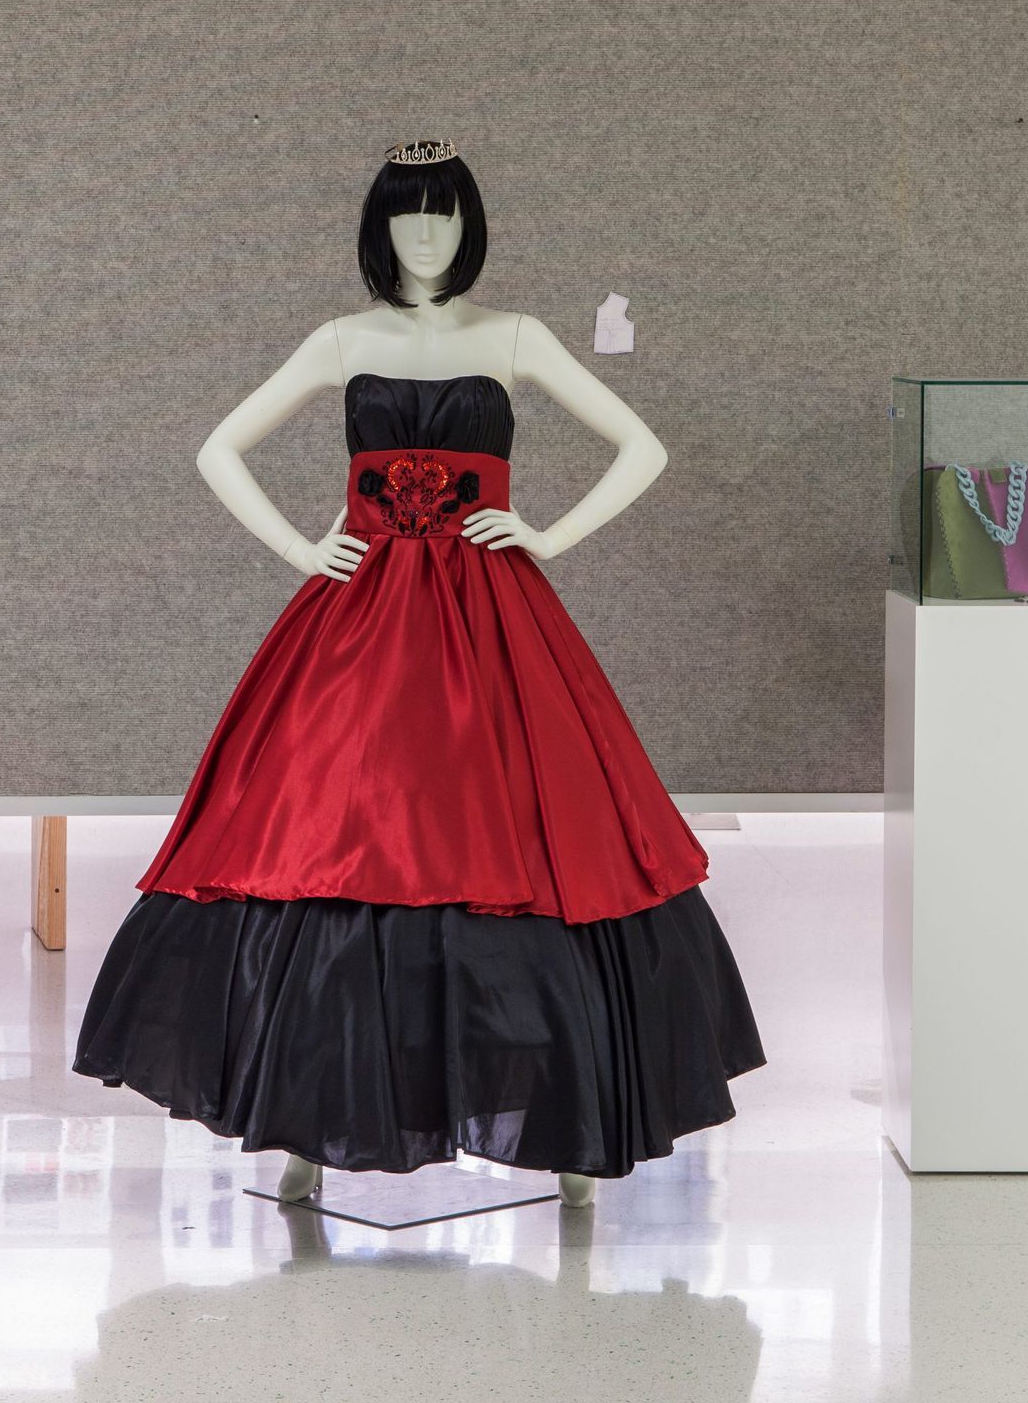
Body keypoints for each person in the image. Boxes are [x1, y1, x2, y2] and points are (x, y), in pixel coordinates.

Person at [73, 139, 762, 1208]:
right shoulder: (342, 340)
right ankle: (305, 1128)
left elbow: (644, 447)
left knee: (531, 836)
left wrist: (547, 535)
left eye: (444, 212)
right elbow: (218, 450)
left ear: (470, 223)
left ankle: (572, 1129)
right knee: (333, 836)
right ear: (380, 227)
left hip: (493, 621)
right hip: (362, 622)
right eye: (408, 214)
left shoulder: (515, 336)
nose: (427, 233)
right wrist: (302, 548)